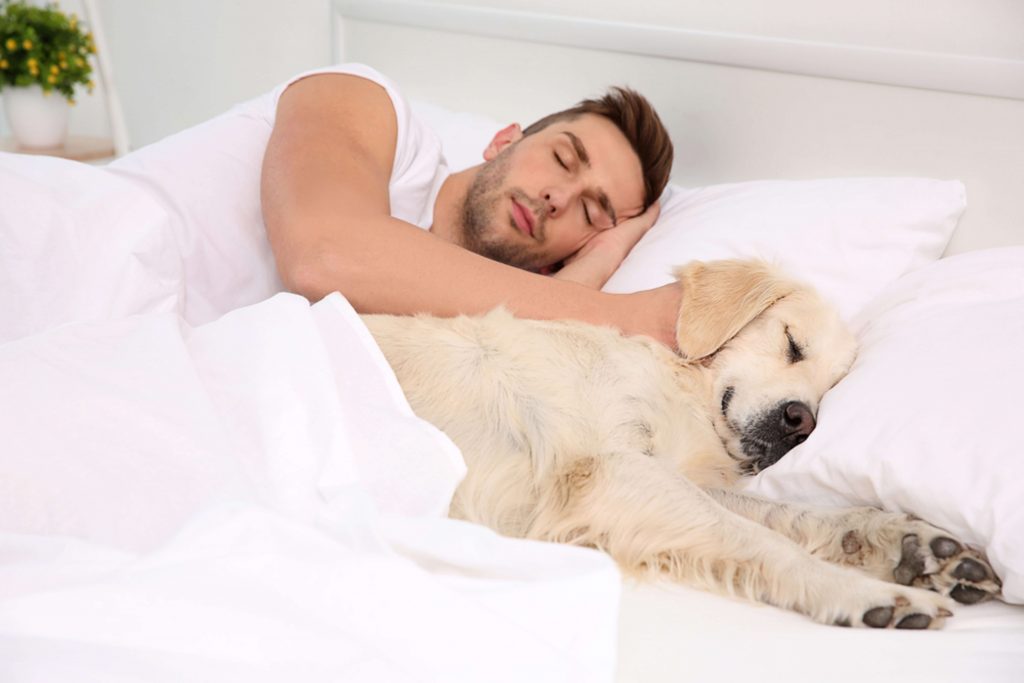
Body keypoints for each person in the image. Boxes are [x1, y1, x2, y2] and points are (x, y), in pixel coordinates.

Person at [260, 65, 683, 349]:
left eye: (590, 214)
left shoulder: (477, 327)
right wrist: (624, 316)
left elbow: (524, 353)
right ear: (503, 140)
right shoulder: (365, 98)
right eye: (562, 159)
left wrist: (605, 254)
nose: (559, 198)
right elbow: (325, 255)